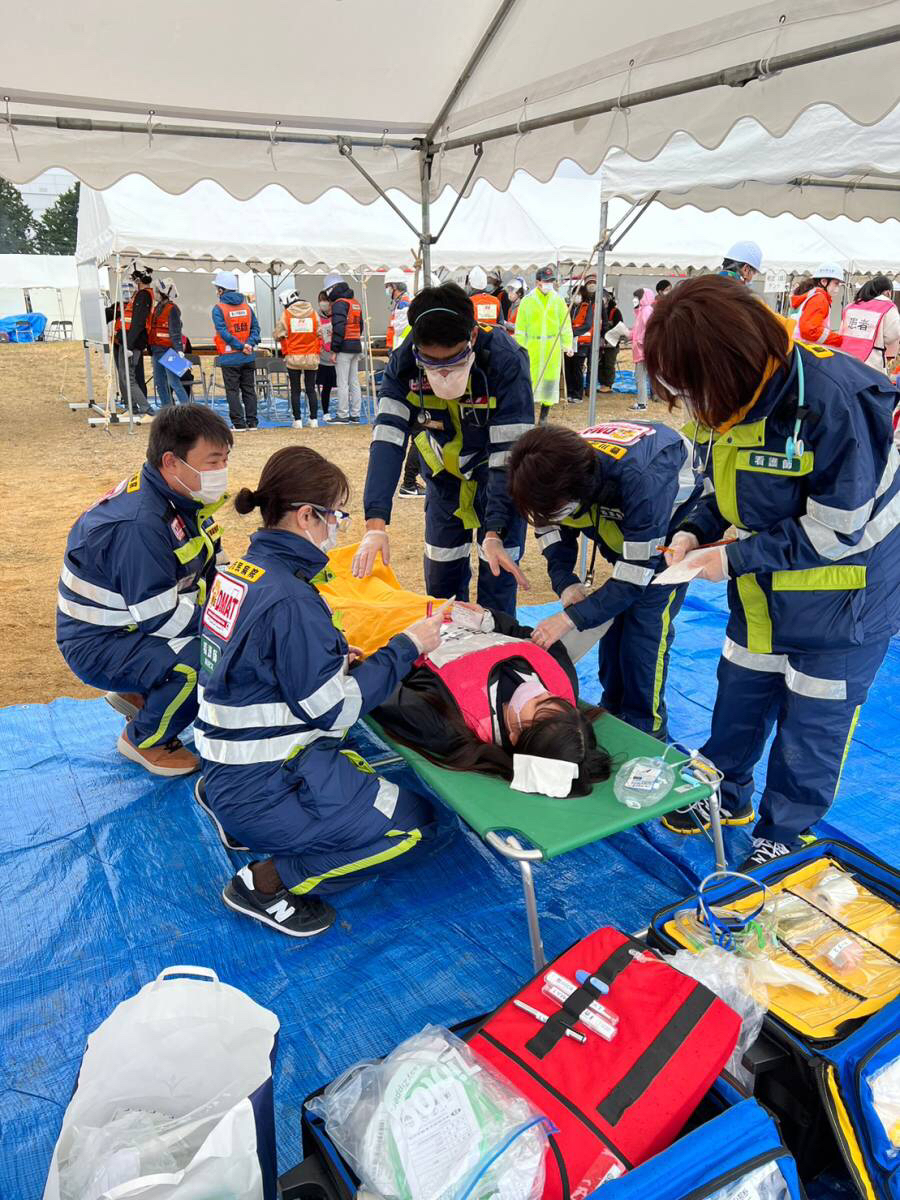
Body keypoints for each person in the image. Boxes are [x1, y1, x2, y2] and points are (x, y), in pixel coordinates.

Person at [647, 275, 900, 870]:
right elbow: (722, 488)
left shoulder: (838, 399)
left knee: (811, 725)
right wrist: (693, 529)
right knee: (739, 693)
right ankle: (724, 794)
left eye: (695, 387)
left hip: (845, 598)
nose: (696, 406)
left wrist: (728, 559)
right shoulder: (731, 396)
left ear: (734, 362)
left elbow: (837, 528)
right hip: (763, 586)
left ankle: (785, 830)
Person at [193, 446, 441, 938]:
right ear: (307, 515)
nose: (337, 529)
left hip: (226, 768)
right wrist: (406, 646)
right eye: (336, 517)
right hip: (264, 784)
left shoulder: (242, 574)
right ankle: (267, 883)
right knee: (415, 822)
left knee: (360, 776)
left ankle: (250, 824)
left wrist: (329, 658)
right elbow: (334, 711)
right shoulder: (290, 598)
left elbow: (252, 665)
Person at [56, 405, 233, 776]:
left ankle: (140, 690)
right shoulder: (140, 523)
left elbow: (213, 565)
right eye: (213, 461)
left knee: (220, 637)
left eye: (225, 459)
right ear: (171, 462)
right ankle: (144, 738)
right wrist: (228, 627)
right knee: (205, 661)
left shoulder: (180, 499)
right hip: (100, 643)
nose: (221, 471)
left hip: (127, 627)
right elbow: (161, 617)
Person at [508, 423, 701, 738]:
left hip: (674, 540)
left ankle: (647, 731)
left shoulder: (641, 482)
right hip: (629, 532)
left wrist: (569, 618)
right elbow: (553, 530)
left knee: (643, 636)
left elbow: (637, 574)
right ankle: (613, 710)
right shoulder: (549, 476)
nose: (549, 517)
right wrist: (565, 582)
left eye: (556, 510)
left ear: (578, 492)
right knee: (612, 628)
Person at [354, 282, 533, 614]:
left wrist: (493, 530)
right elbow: (387, 442)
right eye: (431, 363)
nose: (443, 372)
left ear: (473, 338)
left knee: (498, 578)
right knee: (442, 587)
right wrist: (375, 524)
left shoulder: (506, 362)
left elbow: (510, 456)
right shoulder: (402, 366)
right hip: (443, 483)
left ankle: (494, 659)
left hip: (500, 483)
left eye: (453, 361)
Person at [374, 604, 612, 793]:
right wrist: (489, 619)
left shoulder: (447, 724)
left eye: (539, 702)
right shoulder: (561, 680)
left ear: (515, 735)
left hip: (384, 629)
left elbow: (377, 686)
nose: (541, 690)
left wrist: (407, 643)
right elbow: (523, 633)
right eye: (555, 700)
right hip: (440, 610)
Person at [515, 265, 574, 422]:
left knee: (549, 381)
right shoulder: (527, 301)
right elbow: (520, 328)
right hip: (532, 346)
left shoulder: (558, 300)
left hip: (551, 346)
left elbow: (565, 324)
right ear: (537, 282)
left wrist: (568, 344)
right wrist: (519, 348)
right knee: (530, 380)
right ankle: (528, 415)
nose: (549, 284)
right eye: (545, 281)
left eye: (551, 281)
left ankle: (544, 416)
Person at [384, 268, 425, 498]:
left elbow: (401, 333)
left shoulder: (404, 306)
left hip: (407, 369)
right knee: (418, 432)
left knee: (417, 431)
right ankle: (409, 482)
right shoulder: (402, 305)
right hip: (407, 371)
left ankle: (409, 481)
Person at [212, 269, 260, 431]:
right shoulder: (247, 307)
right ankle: (252, 422)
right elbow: (256, 329)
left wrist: (240, 346)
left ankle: (239, 423)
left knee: (232, 391)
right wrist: (249, 344)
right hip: (248, 356)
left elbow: (223, 332)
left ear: (221, 290)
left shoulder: (218, 309)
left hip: (230, 357)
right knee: (249, 389)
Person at [106, 265, 153, 415]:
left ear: (139, 279)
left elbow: (138, 322)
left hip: (131, 344)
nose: (131, 282)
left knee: (129, 378)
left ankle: (147, 410)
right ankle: (132, 408)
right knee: (125, 377)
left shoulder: (143, 295)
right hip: (126, 341)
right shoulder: (139, 295)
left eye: (133, 278)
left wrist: (129, 345)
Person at [274, 289, 322, 429]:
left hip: (293, 357)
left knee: (295, 389)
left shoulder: (286, 315)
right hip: (311, 356)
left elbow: (278, 334)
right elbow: (320, 333)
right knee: (311, 389)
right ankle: (314, 420)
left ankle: (298, 420)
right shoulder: (313, 313)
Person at [324, 273, 364, 423]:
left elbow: (339, 328)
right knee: (354, 382)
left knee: (342, 382)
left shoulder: (339, 304)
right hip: (355, 345)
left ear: (333, 288)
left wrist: (334, 349)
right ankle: (355, 414)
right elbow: (361, 326)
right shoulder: (355, 302)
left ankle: (343, 414)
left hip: (343, 347)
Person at [839, 274, 900, 370]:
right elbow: (892, 335)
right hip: (871, 362)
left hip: (845, 359)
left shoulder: (851, 306)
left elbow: (841, 332)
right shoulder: (887, 306)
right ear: (888, 292)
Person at [148, 279, 189, 407]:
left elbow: (175, 331)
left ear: (164, 293)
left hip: (169, 351)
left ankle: (187, 410)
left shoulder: (172, 309)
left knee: (174, 383)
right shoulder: (157, 308)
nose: (155, 293)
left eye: (157, 291)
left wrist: (179, 351)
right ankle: (167, 409)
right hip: (156, 350)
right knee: (159, 383)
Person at [789, 265, 844, 348]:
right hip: (806, 349)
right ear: (824, 281)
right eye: (836, 283)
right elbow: (810, 331)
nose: (837, 288)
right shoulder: (819, 299)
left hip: (797, 346)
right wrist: (838, 339)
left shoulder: (810, 295)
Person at [566, 278, 595, 402]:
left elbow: (588, 324)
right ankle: (570, 392)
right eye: (574, 294)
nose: (575, 296)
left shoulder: (587, 307)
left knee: (577, 368)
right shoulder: (569, 307)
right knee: (568, 368)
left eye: (578, 294)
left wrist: (574, 332)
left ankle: (578, 394)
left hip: (582, 342)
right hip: (569, 341)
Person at [630, 288, 655, 411]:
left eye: (637, 297)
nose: (634, 300)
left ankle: (642, 404)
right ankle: (641, 402)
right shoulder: (641, 312)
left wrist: (641, 342)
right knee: (640, 376)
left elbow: (649, 330)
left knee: (640, 377)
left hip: (643, 350)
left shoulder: (646, 311)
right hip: (640, 349)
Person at [599, 289, 625, 393]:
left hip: (612, 343)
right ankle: (602, 382)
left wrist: (610, 335)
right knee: (600, 363)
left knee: (609, 363)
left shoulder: (615, 311)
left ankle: (608, 384)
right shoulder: (597, 310)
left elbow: (620, 327)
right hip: (600, 342)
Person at [316, 291, 336, 423]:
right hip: (321, 357)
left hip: (335, 356)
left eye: (326, 300)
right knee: (324, 387)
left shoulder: (336, 315)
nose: (323, 303)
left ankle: (342, 412)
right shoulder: (316, 317)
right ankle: (325, 411)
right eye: (321, 300)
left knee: (333, 385)